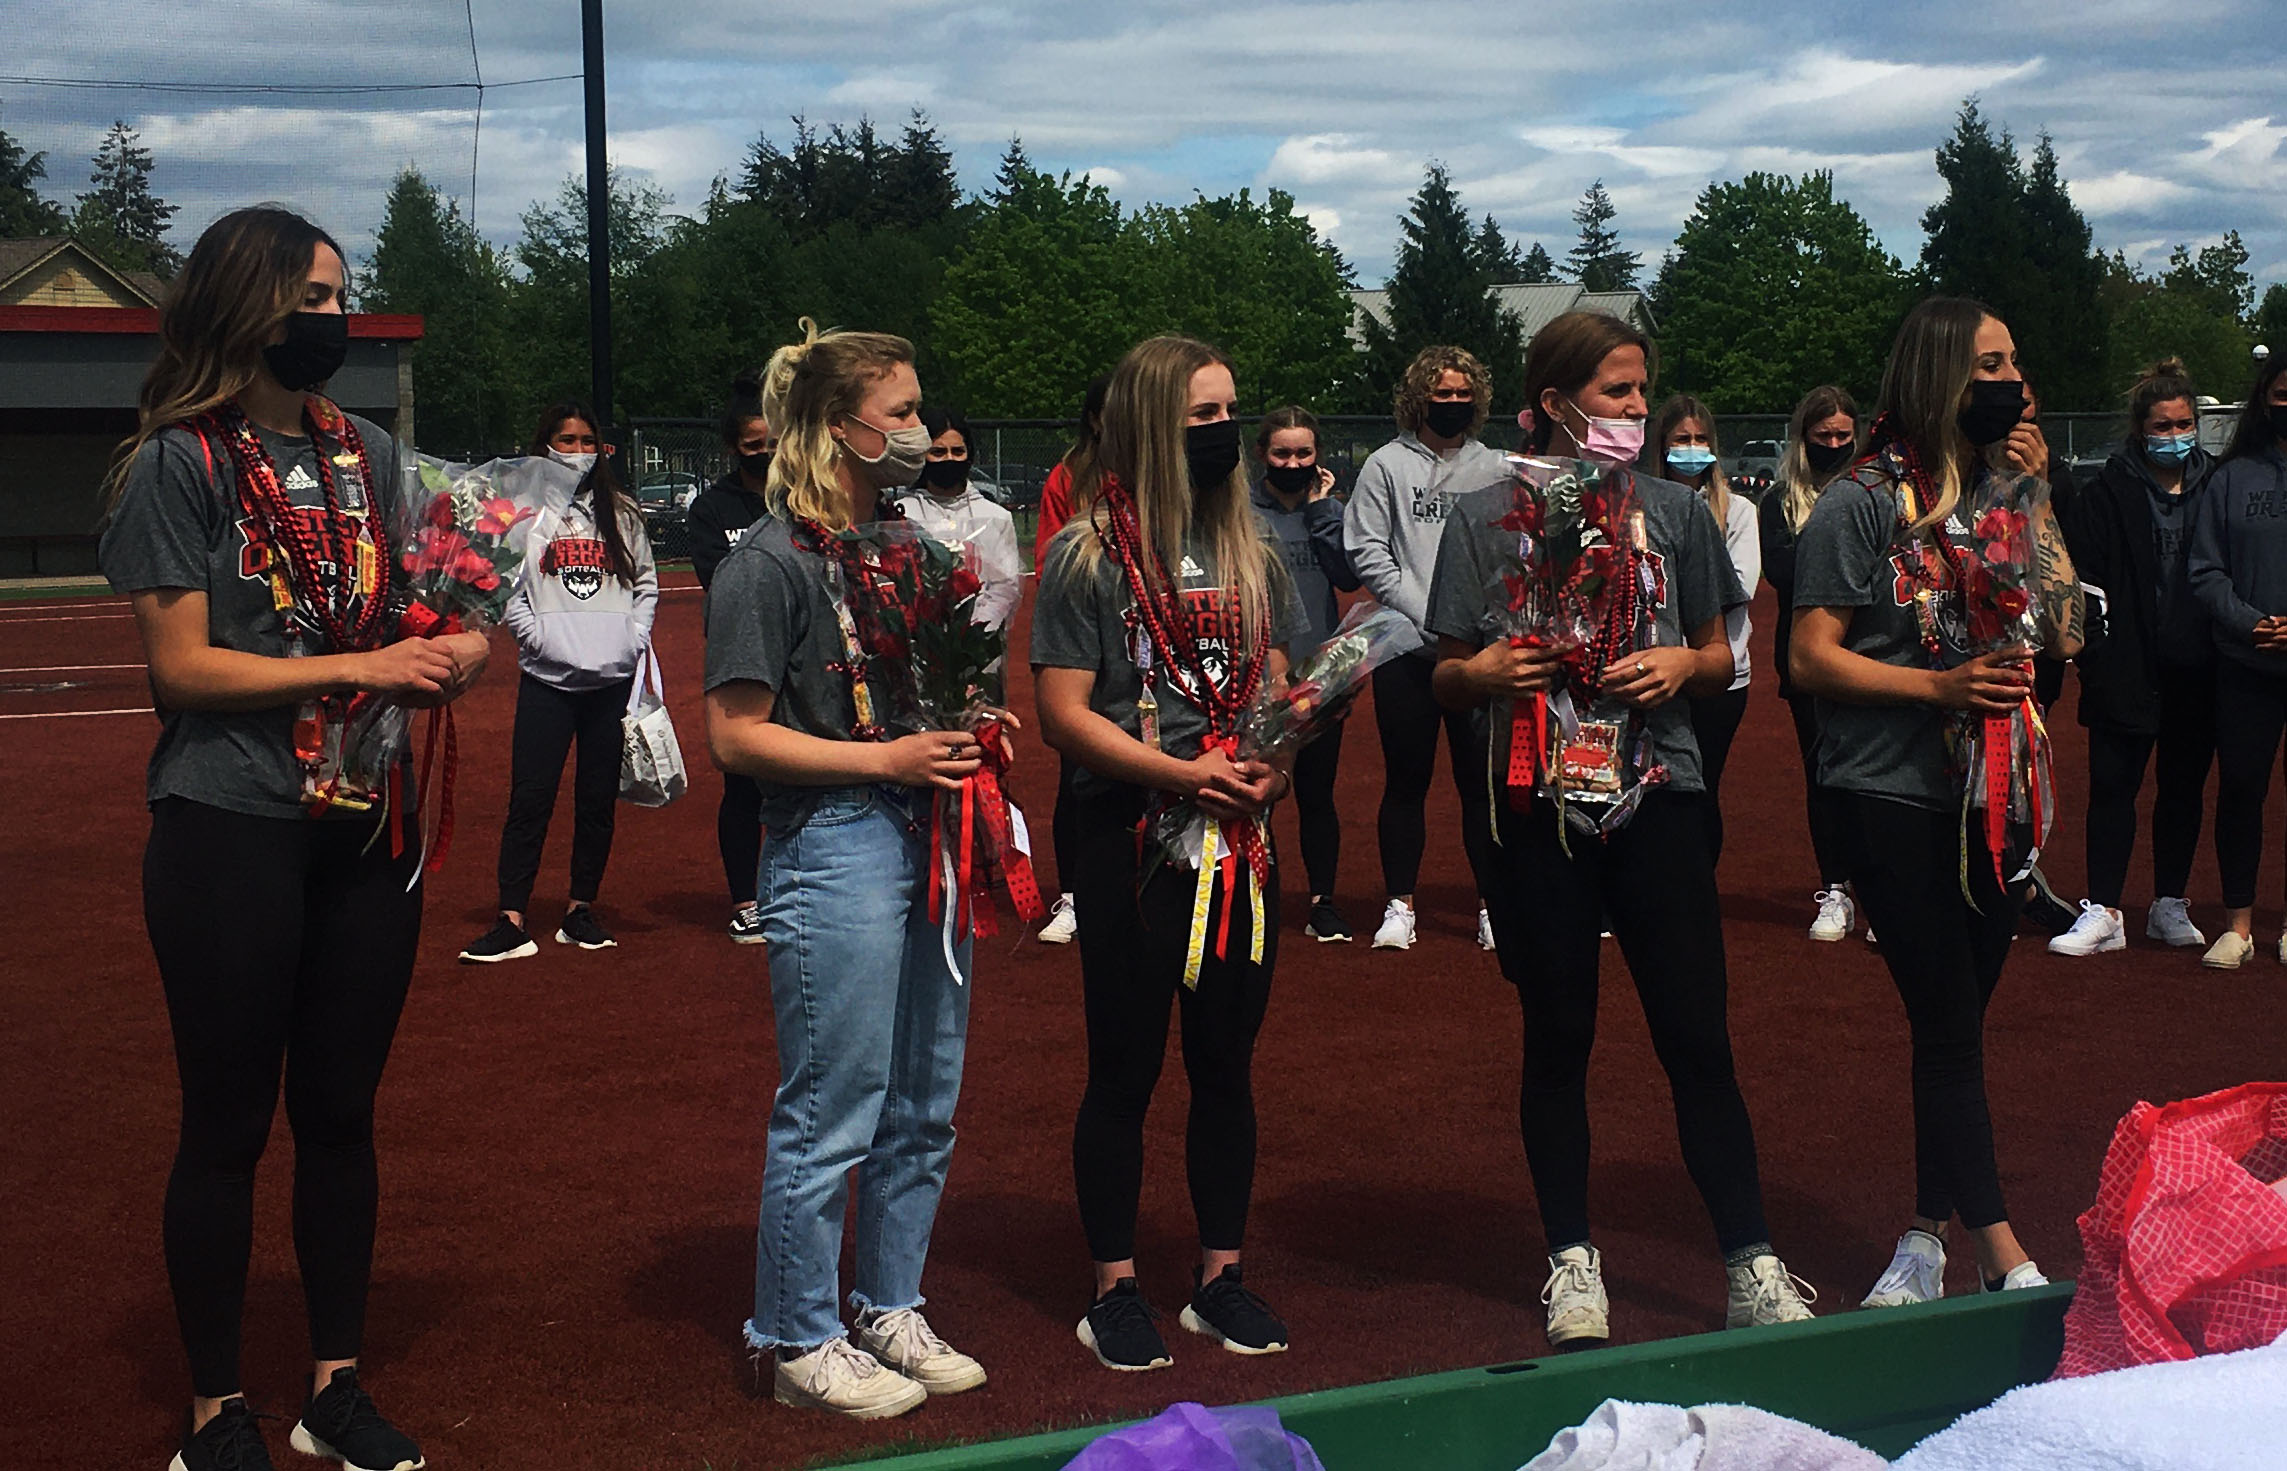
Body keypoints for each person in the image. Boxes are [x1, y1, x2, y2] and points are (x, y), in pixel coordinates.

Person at [98, 204, 489, 1471]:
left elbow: (432, 596)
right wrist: (363, 658)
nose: (334, 319)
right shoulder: (179, 463)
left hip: (364, 822)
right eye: (311, 298)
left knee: (341, 1113)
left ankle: (335, 1383)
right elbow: (181, 669)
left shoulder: (371, 453)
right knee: (226, 1121)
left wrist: (458, 646)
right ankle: (216, 1407)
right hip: (229, 822)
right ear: (246, 307)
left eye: (341, 295)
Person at [1426, 310, 1813, 1347]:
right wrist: (1489, 674)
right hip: (1535, 802)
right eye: (1615, 395)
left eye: (1642, 393)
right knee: (1558, 1033)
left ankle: (1751, 1259)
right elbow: (1443, 669)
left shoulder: (1673, 515)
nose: (1637, 413)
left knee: (1696, 1033)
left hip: (1660, 795)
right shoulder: (1480, 519)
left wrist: (1680, 667)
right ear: (1556, 403)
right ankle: (1571, 1259)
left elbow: (1719, 652)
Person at [704, 318, 996, 1418]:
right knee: (835, 1103)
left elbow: (938, 691)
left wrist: (971, 727)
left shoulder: (914, 552)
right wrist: (888, 755)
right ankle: (794, 1333)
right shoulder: (765, 563)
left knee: (925, 1098)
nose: (924, 430)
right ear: (841, 429)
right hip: (833, 841)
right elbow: (735, 735)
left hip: (928, 831)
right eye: (905, 412)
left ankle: (888, 1299)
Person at [1790, 296, 2083, 1308]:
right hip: (1888, 793)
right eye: (1989, 364)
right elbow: (1808, 655)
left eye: (2014, 364)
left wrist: (2034, 501)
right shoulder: (1860, 500)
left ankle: (1922, 1234)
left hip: (1990, 794)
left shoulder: (2009, 490)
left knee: (1949, 1025)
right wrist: (1938, 691)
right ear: (1941, 376)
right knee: (1949, 1023)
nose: (2010, 383)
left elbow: (2055, 631)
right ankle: (2001, 1249)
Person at [1033, 334, 1301, 1372]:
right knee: (1127, 1064)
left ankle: (1218, 1277)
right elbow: (1063, 713)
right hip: (1129, 834)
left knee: (1226, 1064)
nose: (1222, 432)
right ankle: (1113, 1287)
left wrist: (1271, 757)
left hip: (1239, 838)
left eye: (1228, 411)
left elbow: (1272, 670)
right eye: (1200, 418)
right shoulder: (1086, 554)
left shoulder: (1251, 547)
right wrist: (1183, 776)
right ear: (1150, 424)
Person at [458, 403, 658, 963]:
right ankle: (512, 917)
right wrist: (537, 639)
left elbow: (646, 584)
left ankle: (580, 909)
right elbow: (507, 591)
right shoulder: (524, 514)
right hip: (547, 679)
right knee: (531, 798)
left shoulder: (622, 513)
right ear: (544, 445)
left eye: (586, 440)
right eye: (565, 440)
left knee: (596, 801)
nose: (576, 451)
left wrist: (630, 639)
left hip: (609, 681)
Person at [2048, 359, 2216, 959]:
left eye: (2184, 424)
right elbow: (2082, 578)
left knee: (2182, 788)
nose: (2174, 436)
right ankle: (2106, 909)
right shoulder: (2107, 493)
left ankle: (2169, 903)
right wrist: (2095, 653)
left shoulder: (2216, 484)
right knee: (2113, 787)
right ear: (2140, 429)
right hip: (2126, 664)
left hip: (2199, 666)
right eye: (2162, 426)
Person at [1344, 344, 1510, 952]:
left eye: (1464, 395)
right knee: (1405, 781)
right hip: (1407, 654)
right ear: (1419, 398)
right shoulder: (1386, 465)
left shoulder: (1494, 465)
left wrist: (1470, 626)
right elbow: (1367, 550)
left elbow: (1506, 549)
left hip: (1477, 660)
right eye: (1443, 395)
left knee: (1480, 786)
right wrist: (1430, 616)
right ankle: (1399, 904)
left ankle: (1494, 903)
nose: (1455, 404)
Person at [2186, 350, 2287, 968]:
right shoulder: (2230, 477)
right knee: (2241, 789)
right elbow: (2205, 569)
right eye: (2281, 395)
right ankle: (2239, 924)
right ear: (2263, 399)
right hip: (2246, 662)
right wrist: (2254, 624)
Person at [1252, 405, 1363, 941]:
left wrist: (1323, 512)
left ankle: (1322, 900)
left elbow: (1346, 575)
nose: (1292, 462)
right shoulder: (1242, 513)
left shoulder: (1329, 512)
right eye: (1281, 453)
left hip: (1319, 677)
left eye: (1303, 453)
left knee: (1317, 793)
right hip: (1255, 676)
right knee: (1257, 791)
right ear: (1262, 455)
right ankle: (1255, 893)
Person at [1759, 386, 1864, 940]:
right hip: (1806, 656)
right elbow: (1781, 571)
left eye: (1843, 437)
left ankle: (1880, 886)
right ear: (1803, 438)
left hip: (1871, 654)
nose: (1833, 445)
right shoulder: (1780, 499)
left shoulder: (1873, 491)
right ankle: (1836, 887)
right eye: (1822, 437)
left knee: (1876, 773)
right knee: (1822, 774)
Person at [1647, 394, 1759, 861]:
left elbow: (1737, 590)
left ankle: (1697, 886)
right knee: (1648, 784)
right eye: (1680, 440)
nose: (1692, 448)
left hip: (1718, 674)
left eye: (1700, 439)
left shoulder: (1738, 512)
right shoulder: (1641, 506)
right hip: (1655, 672)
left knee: (1701, 786)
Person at [687, 372, 777, 943]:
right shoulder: (713, 508)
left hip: (802, 659)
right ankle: (746, 898)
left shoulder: (800, 499)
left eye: (773, 443)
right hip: (743, 657)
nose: (765, 454)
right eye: (752, 446)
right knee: (743, 786)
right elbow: (716, 580)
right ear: (732, 448)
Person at [1035, 372, 1112, 945]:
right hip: (1087, 638)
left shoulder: (1161, 469)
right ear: (1093, 419)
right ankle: (1071, 896)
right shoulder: (1069, 476)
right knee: (1075, 771)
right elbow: (1052, 559)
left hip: (1147, 642)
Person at [893, 403, 1023, 629]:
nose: (949, 459)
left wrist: (976, 633)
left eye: (958, 451)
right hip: (921, 643)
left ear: (969, 455)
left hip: (980, 648)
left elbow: (1005, 586)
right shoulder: (899, 515)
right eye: (938, 452)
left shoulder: (996, 517)